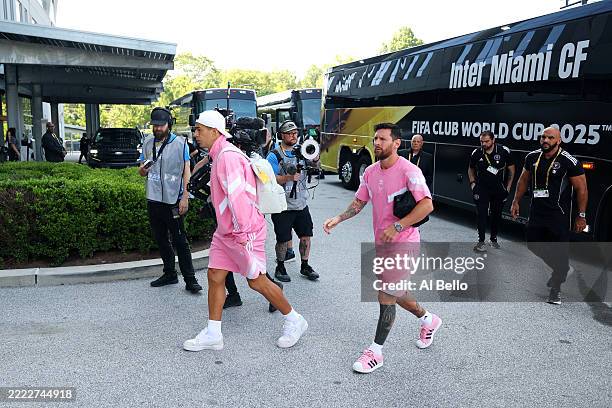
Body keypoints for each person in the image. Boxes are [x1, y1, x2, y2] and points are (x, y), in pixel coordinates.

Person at [183, 110, 307, 351]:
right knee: (215, 276)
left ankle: (295, 320)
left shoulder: (227, 156)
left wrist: (241, 234)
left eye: (199, 129)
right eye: (195, 130)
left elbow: (238, 198)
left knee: (256, 281)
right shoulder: (219, 154)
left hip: (243, 231)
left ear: (214, 131)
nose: (195, 134)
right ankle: (213, 333)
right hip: (227, 231)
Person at [323, 122, 441, 374]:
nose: (377, 143)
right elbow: (359, 202)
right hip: (383, 243)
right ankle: (428, 319)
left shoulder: (409, 171)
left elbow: (427, 205)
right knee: (396, 292)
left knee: (386, 294)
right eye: (375, 138)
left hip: (404, 241)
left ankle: (375, 352)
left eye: (383, 139)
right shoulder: (371, 172)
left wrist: (398, 227)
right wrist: (338, 218)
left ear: (396, 143)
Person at [511, 126, 587, 305]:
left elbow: (581, 189)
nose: (545, 140)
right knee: (532, 244)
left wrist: (581, 215)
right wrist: (516, 201)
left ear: (559, 141)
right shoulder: (532, 157)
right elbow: (523, 180)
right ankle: (562, 269)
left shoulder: (569, 161)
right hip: (537, 211)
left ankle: (556, 290)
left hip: (559, 214)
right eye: (543, 137)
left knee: (560, 250)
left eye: (550, 138)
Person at [138, 107, 202, 294]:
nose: (157, 129)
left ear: (169, 125)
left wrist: (185, 197)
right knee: (161, 239)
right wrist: (142, 170)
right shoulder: (148, 142)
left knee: (180, 241)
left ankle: (190, 280)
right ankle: (169, 273)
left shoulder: (181, 143)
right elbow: (142, 168)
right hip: (154, 198)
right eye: (155, 125)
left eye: (161, 125)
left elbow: (186, 171)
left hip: (174, 200)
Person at [266, 120, 319, 282]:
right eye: (289, 133)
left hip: (301, 203)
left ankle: (305, 265)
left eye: (295, 133)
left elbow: (315, 167)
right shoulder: (274, 155)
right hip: (282, 206)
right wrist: (288, 177)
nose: (293, 136)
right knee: (282, 239)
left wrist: (315, 159)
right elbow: (270, 179)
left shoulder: (302, 150)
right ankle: (280, 266)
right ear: (282, 135)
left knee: (306, 236)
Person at [468, 130, 515, 251]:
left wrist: (508, 188)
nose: (483, 144)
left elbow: (511, 169)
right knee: (481, 214)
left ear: (493, 140)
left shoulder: (503, 151)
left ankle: (493, 239)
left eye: (486, 141)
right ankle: (481, 241)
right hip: (481, 189)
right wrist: (473, 183)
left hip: (498, 189)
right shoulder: (477, 152)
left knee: (496, 215)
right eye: (481, 141)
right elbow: (470, 168)